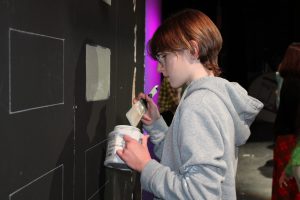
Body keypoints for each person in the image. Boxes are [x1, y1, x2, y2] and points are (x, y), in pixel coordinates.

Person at [117, 9, 263, 199]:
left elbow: (200, 194)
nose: (160, 68)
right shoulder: (214, 98)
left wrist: (146, 166)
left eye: (164, 57)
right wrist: (155, 124)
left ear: (193, 50)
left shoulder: (199, 104)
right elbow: (180, 158)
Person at [272, 43, 300, 200]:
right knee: (289, 182)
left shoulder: (288, 81)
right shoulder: (294, 84)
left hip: (284, 135)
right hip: (290, 137)